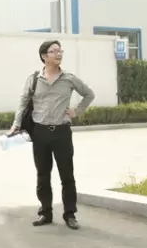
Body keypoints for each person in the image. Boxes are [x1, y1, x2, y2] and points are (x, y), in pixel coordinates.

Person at [8, 40, 95, 230]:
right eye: (54, 51)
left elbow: (89, 94)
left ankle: (70, 214)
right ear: (44, 56)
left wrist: (77, 111)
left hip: (62, 133)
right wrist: (16, 124)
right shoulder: (33, 79)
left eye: (60, 50)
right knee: (43, 175)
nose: (58, 54)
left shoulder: (69, 78)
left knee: (67, 176)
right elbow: (23, 103)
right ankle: (45, 213)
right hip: (39, 133)